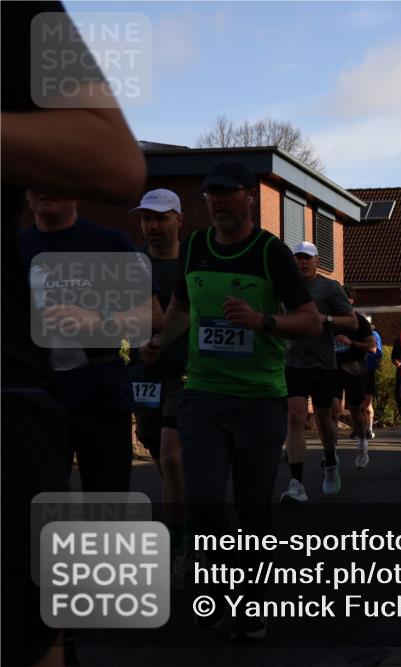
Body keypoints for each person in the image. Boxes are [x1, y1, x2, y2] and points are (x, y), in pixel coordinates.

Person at [2, 4, 146, 664]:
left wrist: (94, 323)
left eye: (49, 188)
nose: (41, 198)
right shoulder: (22, 243)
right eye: (31, 192)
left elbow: (142, 320)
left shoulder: (107, 242)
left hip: (95, 388)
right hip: (44, 388)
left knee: (106, 495)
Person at [141, 159, 322, 640]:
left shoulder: (271, 254)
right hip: (202, 392)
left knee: (252, 507)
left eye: (226, 192)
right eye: (210, 194)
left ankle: (251, 601)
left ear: (248, 197)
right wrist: (161, 340)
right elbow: (181, 307)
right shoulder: (196, 246)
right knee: (202, 499)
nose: (217, 201)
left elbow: (311, 321)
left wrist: (263, 321)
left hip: (259, 398)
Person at [21, 191, 163, 491]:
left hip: (100, 393)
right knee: (34, 512)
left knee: (105, 510)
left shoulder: (109, 244)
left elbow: (154, 315)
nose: (45, 188)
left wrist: (101, 319)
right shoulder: (13, 248)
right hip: (33, 399)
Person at [128, 189, 189, 570]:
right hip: (144, 374)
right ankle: (184, 519)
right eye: (147, 218)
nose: (152, 225)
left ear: (178, 220)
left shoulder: (192, 266)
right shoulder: (134, 267)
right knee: (160, 457)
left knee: (171, 459)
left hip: (184, 373)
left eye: (161, 217)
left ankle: (176, 548)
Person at [281, 241, 356, 503]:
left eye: (307, 258)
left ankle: (330, 458)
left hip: (323, 363)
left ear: (316, 261)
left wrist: (327, 320)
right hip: (293, 361)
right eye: (298, 258)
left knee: (324, 421)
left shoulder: (329, 287)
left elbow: (352, 322)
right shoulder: (285, 285)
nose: (302, 263)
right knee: (295, 416)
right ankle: (296, 483)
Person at [334, 310, 378, 468]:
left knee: (355, 411)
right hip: (332, 370)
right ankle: (330, 454)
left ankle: (362, 446)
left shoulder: (358, 320)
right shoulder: (326, 318)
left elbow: (372, 348)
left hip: (354, 370)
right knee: (331, 411)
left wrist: (351, 343)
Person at [362, 316, 383, 440]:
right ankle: (360, 428)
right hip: (355, 370)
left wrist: (365, 352)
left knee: (367, 401)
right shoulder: (355, 335)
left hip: (368, 371)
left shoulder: (374, 335)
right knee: (356, 402)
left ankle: (369, 429)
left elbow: (379, 352)